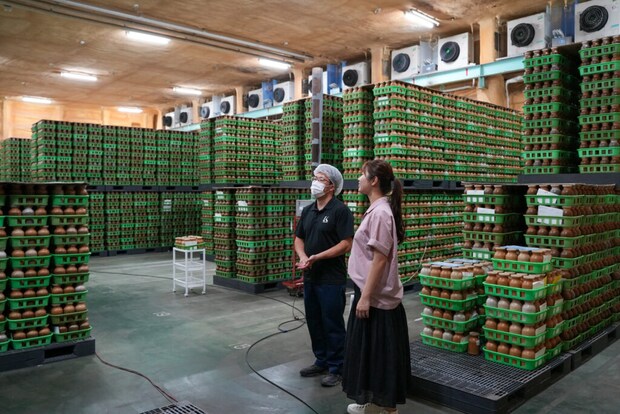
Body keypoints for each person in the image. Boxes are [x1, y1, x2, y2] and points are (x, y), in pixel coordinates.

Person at [342, 160, 410, 414]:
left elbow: (380, 260)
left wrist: (365, 297)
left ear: (373, 181)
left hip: (375, 296)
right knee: (371, 353)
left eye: (363, 175)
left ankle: (389, 410)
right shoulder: (377, 210)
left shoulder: (381, 213)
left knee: (380, 354)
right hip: (371, 292)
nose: (359, 178)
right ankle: (373, 402)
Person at [294, 164, 354, 387]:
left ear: (331, 186)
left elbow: (346, 243)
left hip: (331, 278)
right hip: (311, 277)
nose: (314, 182)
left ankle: (337, 367)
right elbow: (299, 238)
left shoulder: (340, 211)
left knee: (332, 322)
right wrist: (303, 256)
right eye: (314, 177)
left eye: (320, 179)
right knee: (314, 320)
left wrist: (318, 257)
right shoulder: (308, 210)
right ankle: (321, 360)